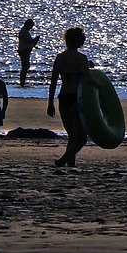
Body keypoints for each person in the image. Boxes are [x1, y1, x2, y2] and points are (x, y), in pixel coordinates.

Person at [46, 26, 97, 167]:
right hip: (76, 99)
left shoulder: (60, 58)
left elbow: (53, 82)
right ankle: (63, 160)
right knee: (81, 138)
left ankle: (71, 165)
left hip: (63, 98)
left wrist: (50, 103)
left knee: (72, 136)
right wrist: (102, 86)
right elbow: (88, 79)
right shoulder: (82, 59)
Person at [17, 19, 40, 88]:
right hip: (24, 51)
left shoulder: (24, 32)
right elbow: (29, 41)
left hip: (24, 50)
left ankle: (22, 82)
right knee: (25, 67)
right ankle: (22, 82)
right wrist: (35, 39)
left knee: (25, 67)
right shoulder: (24, 32)